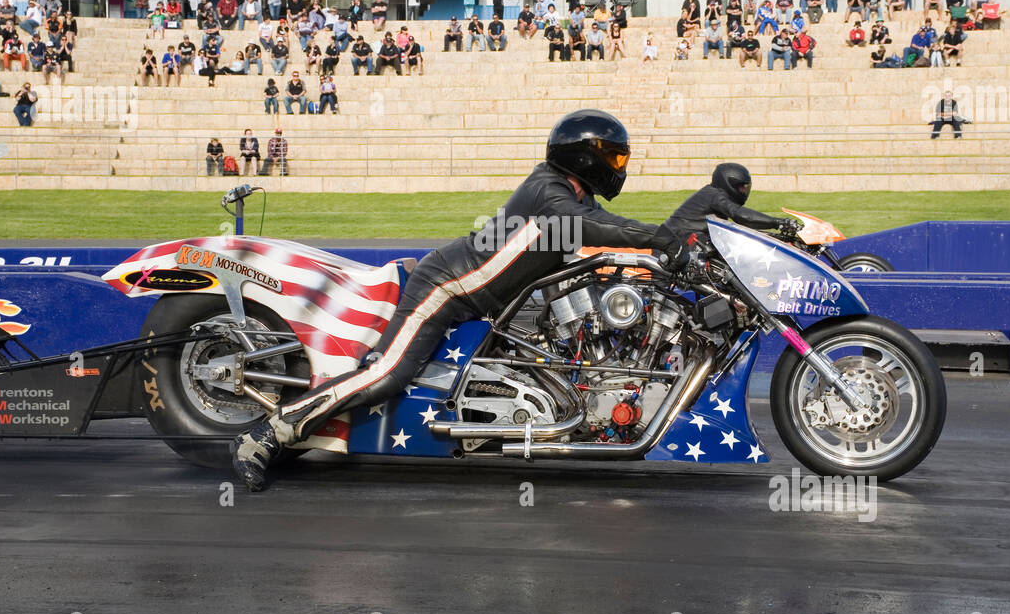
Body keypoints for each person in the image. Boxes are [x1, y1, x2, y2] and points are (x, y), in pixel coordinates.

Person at [231, 109, 691, 491]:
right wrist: (664, 237)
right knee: (386, 374)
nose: (619, 165)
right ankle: (268, 433)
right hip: (446, 286)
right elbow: (593, 228)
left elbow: (605, 230)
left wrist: (674, 242)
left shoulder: (574, 195)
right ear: (584, 156)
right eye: (613, 155)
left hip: (484, 301)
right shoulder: (549, 191)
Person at [663, 163, 800, 245]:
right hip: (676, 243)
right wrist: (778, 222)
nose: (743, 191)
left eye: (745, 187)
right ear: (728, 184)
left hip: (682, 240)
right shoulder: (715, 195)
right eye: (741, 187)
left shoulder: (712, 193)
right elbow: (740, 215)